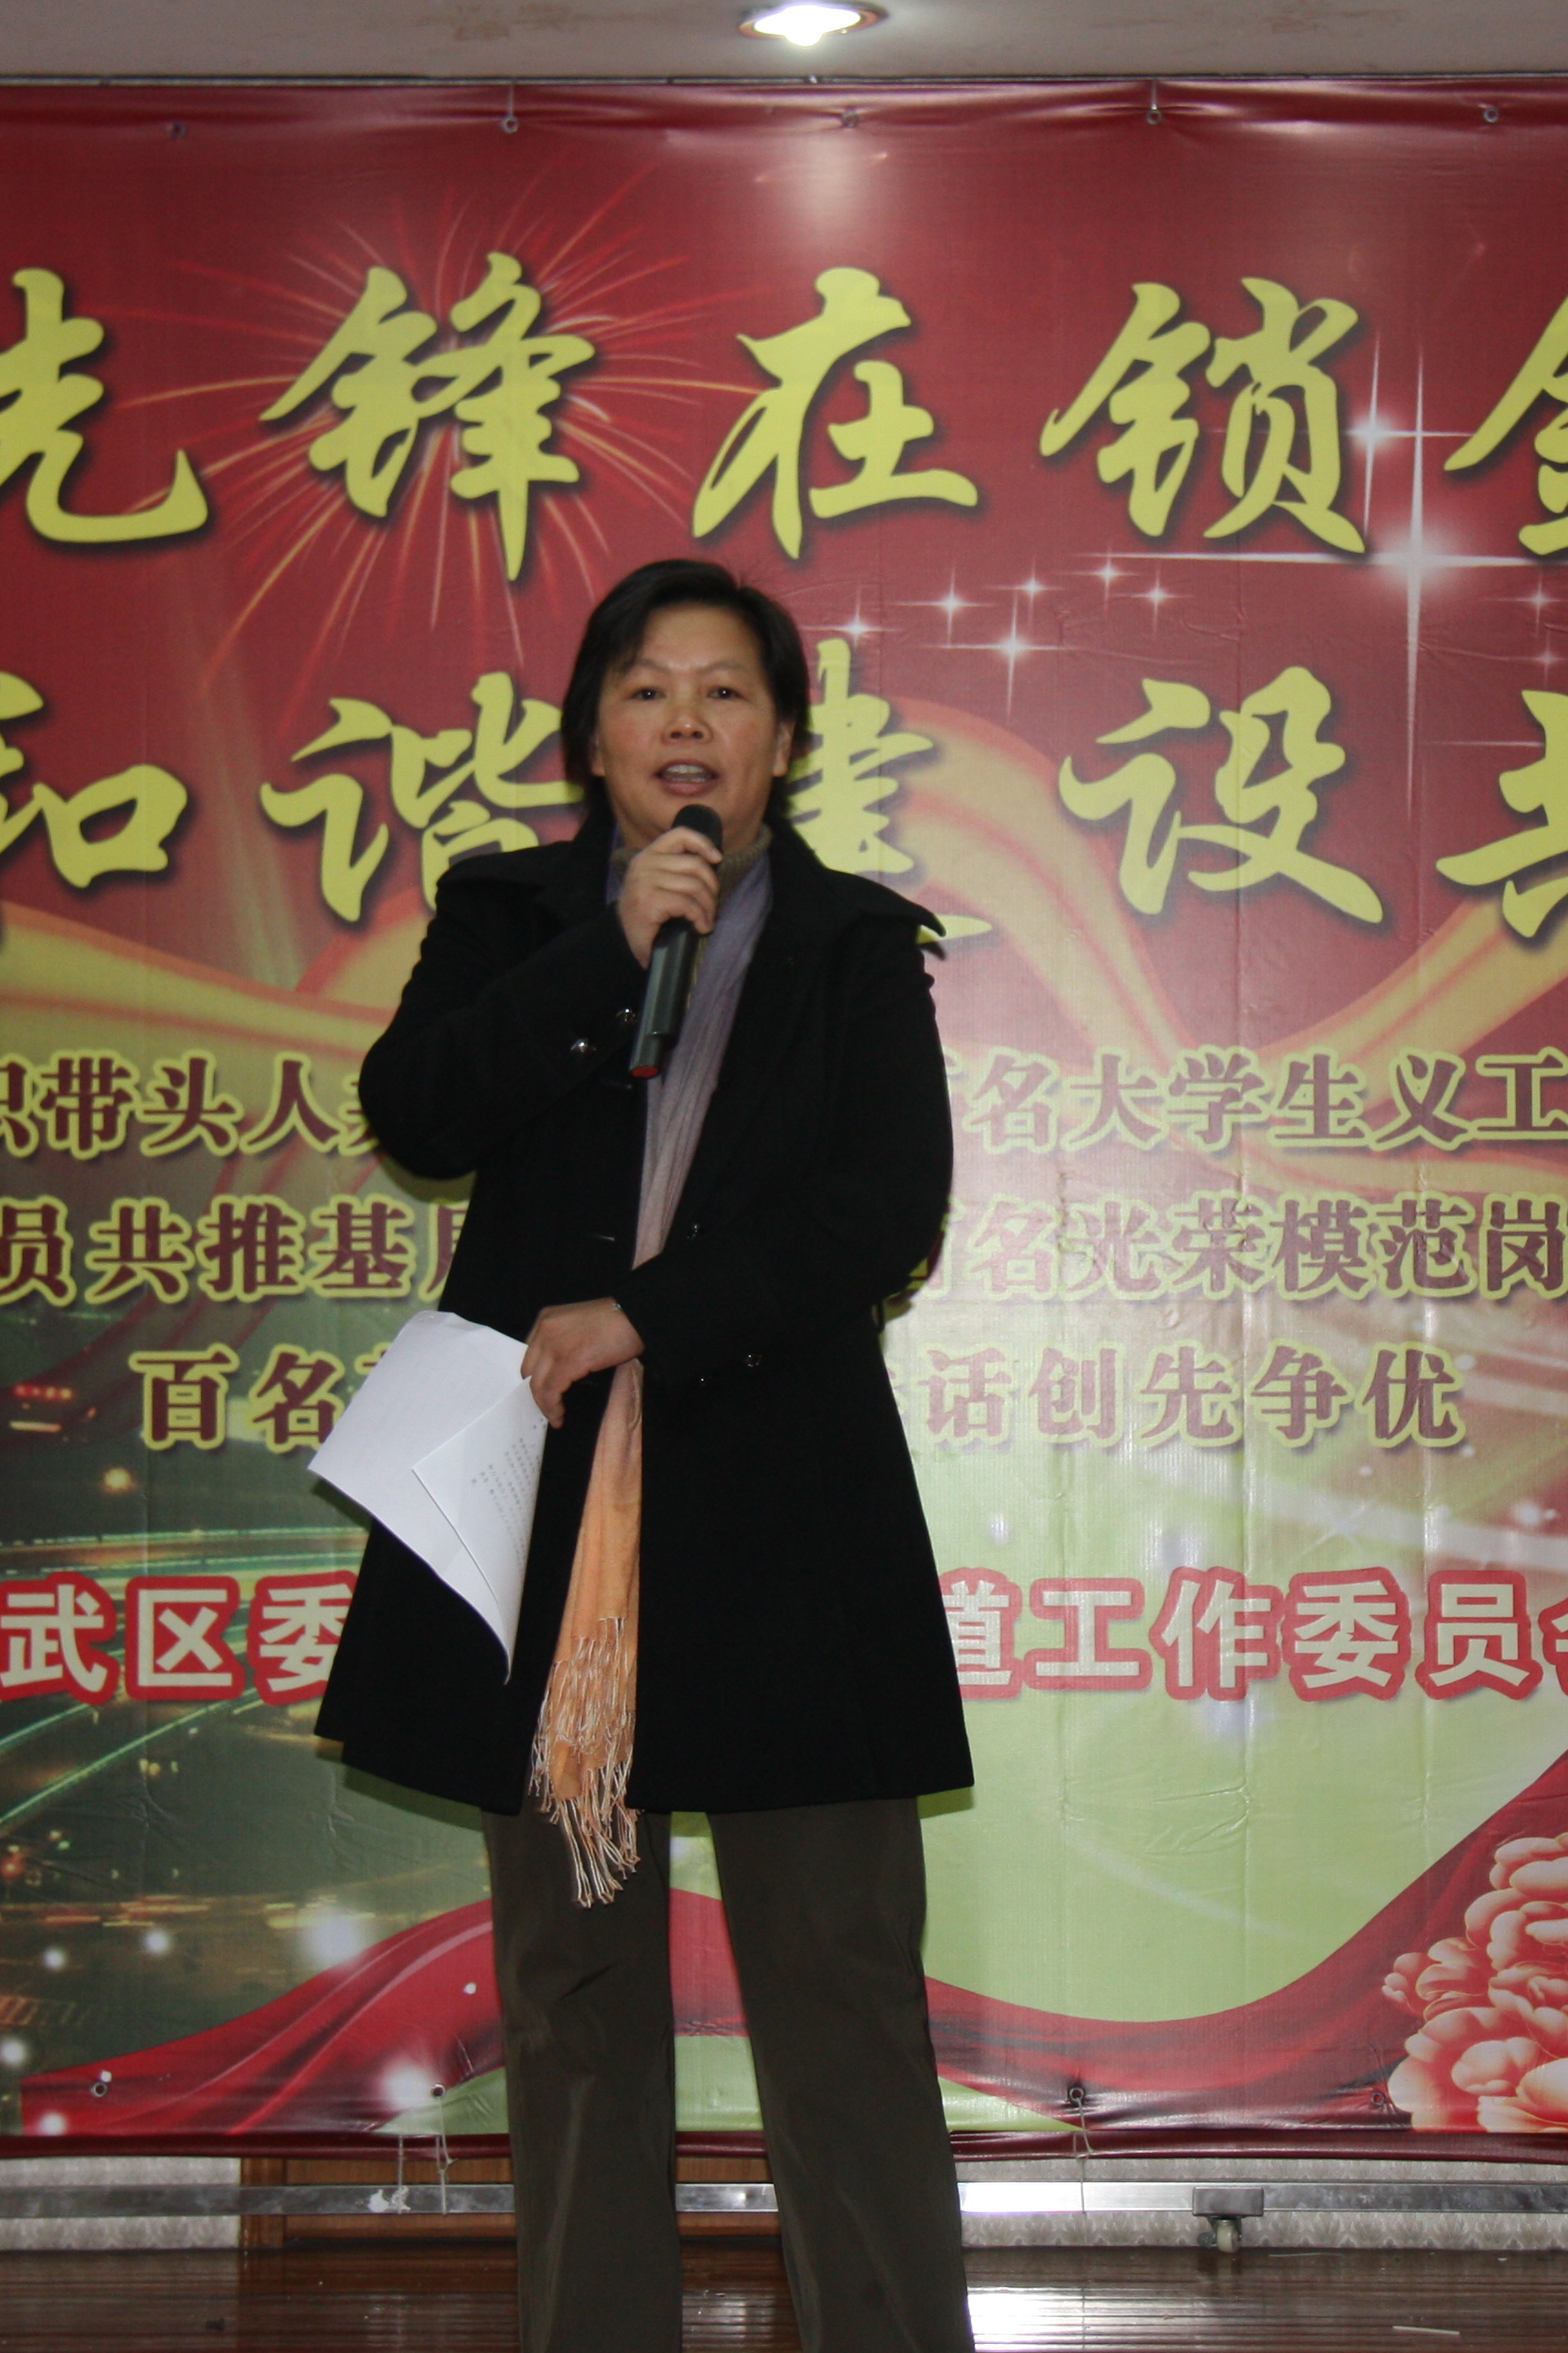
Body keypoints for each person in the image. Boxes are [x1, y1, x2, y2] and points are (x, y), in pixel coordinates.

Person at [315, 558, 974, 2353]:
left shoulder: (856, 945)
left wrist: (651, 1314)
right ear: (593, 739)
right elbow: (418, 1108)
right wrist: (607, 953)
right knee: (576, 1992)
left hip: (790, 1527)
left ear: (784, 742)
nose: (689, 722)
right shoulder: (510, 913)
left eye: (728, 692)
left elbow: (883, 1213)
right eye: (649, 690)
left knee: (840, 1989)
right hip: (551, 1524)